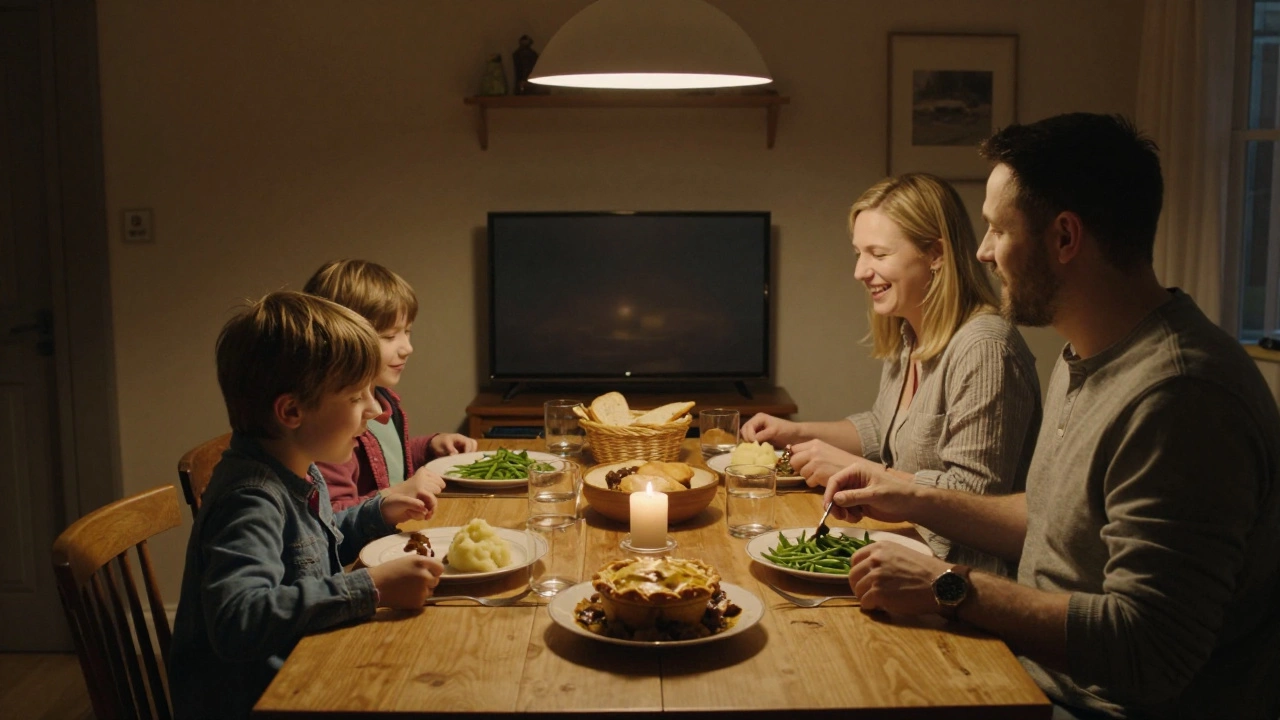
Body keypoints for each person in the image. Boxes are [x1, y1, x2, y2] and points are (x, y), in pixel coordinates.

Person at [825, 113, 1280, 720]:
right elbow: (1051, 518)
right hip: (1024, 670)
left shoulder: (1181, 396)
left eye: (996, 229)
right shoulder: (1082, 355)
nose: (982, 252)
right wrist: (908, 497)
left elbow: (1151, 648)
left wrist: (947, 584)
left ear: (1065, 238)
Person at [741, 172, 1041, 575]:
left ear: (935, 254)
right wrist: (794, 432)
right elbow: (883, 426)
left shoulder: (985, 347)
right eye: (858, 253)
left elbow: (974, 502)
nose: (860, 272)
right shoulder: (909, 332)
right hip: (906, 548)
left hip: (958, 578)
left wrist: (874, 476)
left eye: (878, 254)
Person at [169, 291, 445, 720]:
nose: (375, 409)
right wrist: (370, 588)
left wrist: (380, 511)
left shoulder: (297, 465)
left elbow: (314, 548)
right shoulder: (251, 497)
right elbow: (238, 619)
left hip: (307, 665)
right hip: (269, 699)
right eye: (356, 397)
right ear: (292, 411)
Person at [303, 259, 477, 511]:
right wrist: (391, 496)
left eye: (408, 332)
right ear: (343, 337)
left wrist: (429, 446)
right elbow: (334, 513)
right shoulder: (336, 421)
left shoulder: (382, 399)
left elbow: (389, 462)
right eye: (389, 336)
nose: (407, 348)